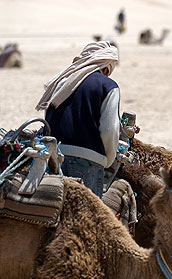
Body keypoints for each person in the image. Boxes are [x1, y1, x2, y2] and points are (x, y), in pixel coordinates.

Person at [35, 41, 120, 198]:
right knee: (87, 220)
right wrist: (106, 160)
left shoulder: (61, 81)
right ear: (106, 66)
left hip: (52, 156)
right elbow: (110, 129)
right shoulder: (108, 85)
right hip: (87, 162)